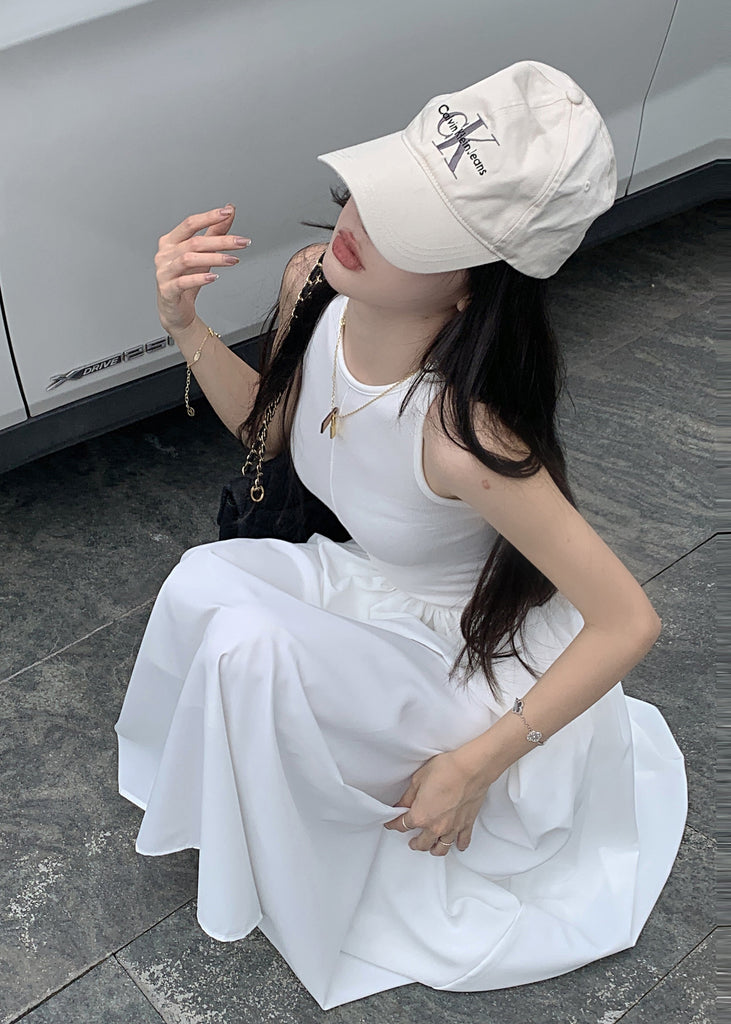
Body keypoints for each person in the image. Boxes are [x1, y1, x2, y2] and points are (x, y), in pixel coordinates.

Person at [115, 60, 688, 1011]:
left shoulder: (464, 438)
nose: (359, 222)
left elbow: (628, 620)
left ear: (471, 289)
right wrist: (185, 326)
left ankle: (306, 847)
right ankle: (219, 800)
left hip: (463, 656)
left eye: (408, 228)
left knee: (248, 645)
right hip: (369, 581)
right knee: (202, 582)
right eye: (380, 191)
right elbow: (270, 428)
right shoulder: (315, 283)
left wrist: (474, 766)